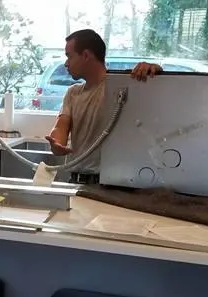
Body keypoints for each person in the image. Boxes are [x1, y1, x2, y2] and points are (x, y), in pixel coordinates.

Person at [45, 29, 161, 183]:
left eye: (69, 56)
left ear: (86, 55)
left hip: (111, 184)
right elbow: (61, 126)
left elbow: (158, 98)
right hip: (76, 181)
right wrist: (56, 143)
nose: (66, 63)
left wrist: (154, 70)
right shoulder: (73, 93)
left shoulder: (122, 89)